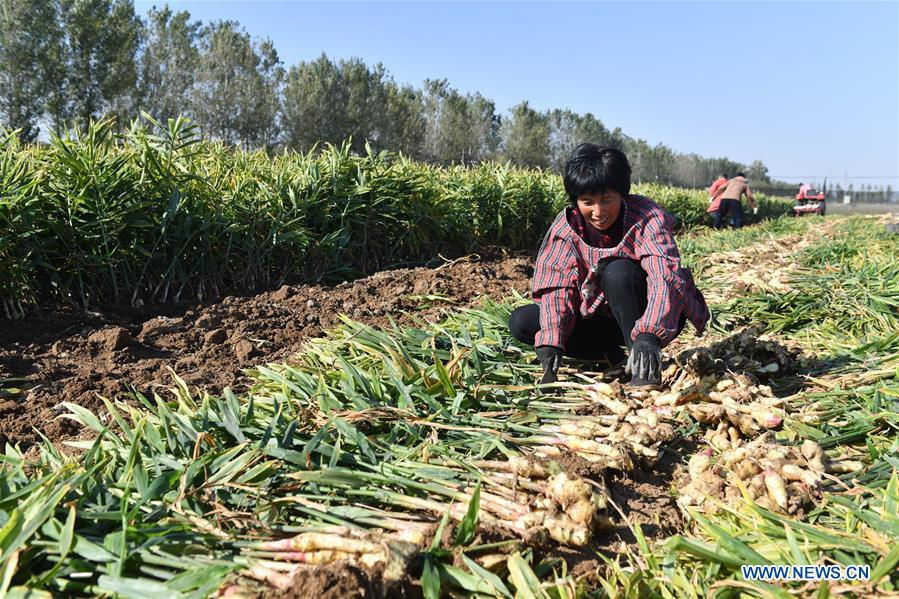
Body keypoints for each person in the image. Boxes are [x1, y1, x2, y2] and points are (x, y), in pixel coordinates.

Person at [507, 144, 710, 388]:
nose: (598, 211)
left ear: (622, 194)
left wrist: (649, 334)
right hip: (598, 316)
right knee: (522, 321)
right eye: (587, 202)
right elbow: (557, 287)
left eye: (606, 200)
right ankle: (610, 356)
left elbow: (664, 275)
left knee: (617, 272)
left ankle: (643, 366)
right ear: (575, 201)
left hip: (649, 311)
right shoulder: (566, 227)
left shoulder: (646, 216)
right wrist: (552, 340)